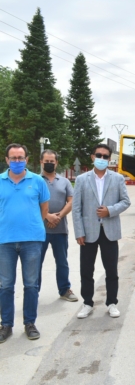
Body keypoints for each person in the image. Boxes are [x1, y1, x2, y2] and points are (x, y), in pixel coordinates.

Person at [72, 144, 130, 320]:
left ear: (109, 159)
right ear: (92, 157)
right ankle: (87, 303)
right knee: (86, 270)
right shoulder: (82, 180)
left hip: (109, 231)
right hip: (88, 232)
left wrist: (110, 210)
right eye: (99, 155)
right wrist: (79, 232)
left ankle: (112, 302)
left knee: (111, 270)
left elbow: (126, 201)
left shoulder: (117, 178)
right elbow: (76, 209)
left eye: (106, 156)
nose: (102, 159)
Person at [0, 144, 50, 344]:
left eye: (21, 158)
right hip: (5, 242)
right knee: (5, 285)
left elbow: (44, 209)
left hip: (32, 241)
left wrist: (32, 226)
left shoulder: (37, 181)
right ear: (6, 160)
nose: (17, 161)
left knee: (31, 284)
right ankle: (6, 325)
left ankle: (30, 323)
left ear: (27, 160)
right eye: (13, 158)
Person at [38, 149, 78, 302]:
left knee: (62, 262)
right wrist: (47, 216)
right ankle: (34, 291)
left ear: (56, 163)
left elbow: (71, 201)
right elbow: (32, 202)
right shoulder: (35, 180)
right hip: (40, 230)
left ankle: (64, 290)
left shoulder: (65, 182)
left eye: (52, 161)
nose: (49, 164)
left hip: (60, 229)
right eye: (46, 161)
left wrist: (58, 216)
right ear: (41, 162)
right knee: (36, 263)